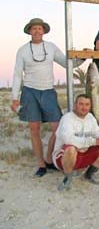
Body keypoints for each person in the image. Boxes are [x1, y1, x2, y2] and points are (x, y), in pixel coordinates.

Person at [11, 18, 85, 177]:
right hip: (30, 91)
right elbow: (17, 74)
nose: (37, 31)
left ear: (43, 31)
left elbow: (67, 63)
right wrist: (14, 97)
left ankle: (49, 158)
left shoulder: (50, 47)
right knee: (34, 129)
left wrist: (82, 58)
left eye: (40, 28)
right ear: (29, 31)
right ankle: (41, 164)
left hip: (48, 91)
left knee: (57, 128)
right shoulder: (23, 50)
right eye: (34, 29)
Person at [53, 94, 99, 191]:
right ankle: (68, 178)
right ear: (75, 105)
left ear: (90, 106)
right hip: (64, 159)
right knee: (71, 149)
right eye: (81, 104)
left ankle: (89, 174)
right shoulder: (67, 118)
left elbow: (97, 131)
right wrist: (93, 141)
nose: (84, 107)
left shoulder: (90, 117)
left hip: (83, 155)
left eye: (87, 104)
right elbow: (68, 140)